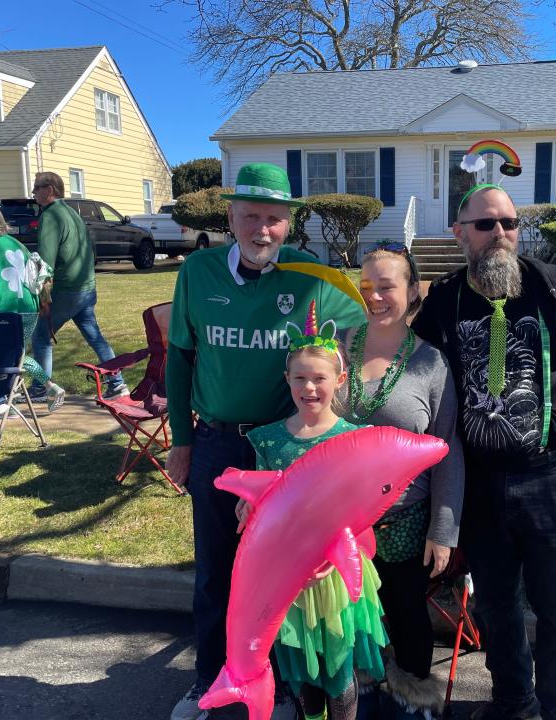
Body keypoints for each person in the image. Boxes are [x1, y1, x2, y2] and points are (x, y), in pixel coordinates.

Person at [410, 184, 556, 720]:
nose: (500, 234)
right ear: (460, 233)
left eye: (509, 222)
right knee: (495, 607)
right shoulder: (444, 301)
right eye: (485, 225)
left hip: (551, 478)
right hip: (479, 483)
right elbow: (413, 380)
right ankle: (513, 702)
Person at [165, 162, 365, 720]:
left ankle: (276, 685)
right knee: (216, 570)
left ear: (289, 223)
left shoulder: (314, 276)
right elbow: (180, 359)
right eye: (250, 216)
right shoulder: (199, 272)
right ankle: (207, 679)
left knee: (283, 575)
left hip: (286, 451)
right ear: (230, 217)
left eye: (274, 218)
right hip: (220, 444)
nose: (262, 229)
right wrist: (182, 440)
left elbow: (378, 313)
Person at [237, 307, 387, 720]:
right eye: (299, 378)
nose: (309, 387)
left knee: (338, 672)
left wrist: (337, 551)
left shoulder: (354, 439)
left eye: (319, 378)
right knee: (302, 673)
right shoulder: (268, 442)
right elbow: (264, 505)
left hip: (335, 576)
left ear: (339, 381)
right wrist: (249, 506)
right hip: (288, 578)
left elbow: (363, 511)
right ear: (287, 379)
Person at [344, 247, 463, 720]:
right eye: (366, 285)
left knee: (407, 615)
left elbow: (448, 451)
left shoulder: (431, 364)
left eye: (387, 286)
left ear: (413, 291)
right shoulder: (336, 348)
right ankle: (356, 693)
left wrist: (443, 529)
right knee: (350, 618)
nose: (375, 295)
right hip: (340, 523)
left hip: (405, 523)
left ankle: (412, 698)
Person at [28, 171, 127, 402]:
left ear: (50, 189)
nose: (33, 193)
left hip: (67, 289)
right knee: (95, 337)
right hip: (86, 287)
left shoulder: (50, 216)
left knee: (40, 336)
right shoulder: (72, 213)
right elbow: (89, 251)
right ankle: (117, 383)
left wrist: (43, 297)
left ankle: (41, 388)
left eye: (37, 188)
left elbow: (45, 263)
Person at [0, 204, 65, 412]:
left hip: (4, 309)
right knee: (16, 354)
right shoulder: (16, 243)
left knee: (9, 356)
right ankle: (45, 388)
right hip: (29, 306)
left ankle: (10, 400)